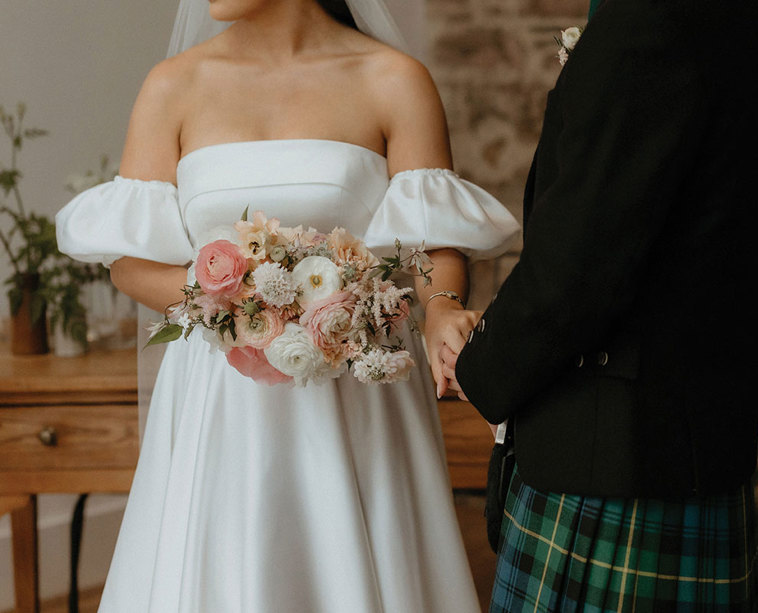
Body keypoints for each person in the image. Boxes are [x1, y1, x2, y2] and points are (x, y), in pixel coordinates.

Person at [55, 0, 518, 610]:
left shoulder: (393, 79)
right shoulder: (173, 85)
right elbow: (131, 261)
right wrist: (239, 301)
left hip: (358, 387)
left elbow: (431, 240)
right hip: (221, 394)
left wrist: (441, 308)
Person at [441, 0, 758, 610]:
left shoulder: (652, 19)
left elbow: (580, 264)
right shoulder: (733, 13)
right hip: (677, 449)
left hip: (616, 463)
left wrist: (479, 365)